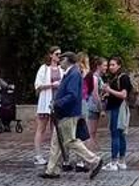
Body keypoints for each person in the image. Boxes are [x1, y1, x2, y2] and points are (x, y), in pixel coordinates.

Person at [42, 51, 103, 179]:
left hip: (68, 113)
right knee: (56, 142)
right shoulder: (70, 73)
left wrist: (58, 103)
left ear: (67, 60)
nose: (59, 60)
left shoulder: (74, 74)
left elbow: (72, 95)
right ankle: (52, 170)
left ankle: (94, 160)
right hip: (64, 113)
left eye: (62, 58)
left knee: (70, 141)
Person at [33, 47, 62, 165]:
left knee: (55, 130)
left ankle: (54, 155)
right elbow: (38, 85)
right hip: (46, 101)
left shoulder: (61, 69)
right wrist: (51, 85)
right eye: (57, 54)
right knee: (41, 128)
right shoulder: (44, 68)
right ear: (51, 55)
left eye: (60, 54)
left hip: (57, 102)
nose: (59, 56)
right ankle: (38, 155)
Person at [103, 57, 132, 171]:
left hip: (118, 108)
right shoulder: (115, 77)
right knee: (120, 134)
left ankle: (114, 161)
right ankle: (121, 160)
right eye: (110, 65)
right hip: (116, 107)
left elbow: (123, 94)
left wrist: (109, 90)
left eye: (113, 65)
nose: (110, 67)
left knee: (116, 133)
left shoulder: (123, 77)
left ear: (119, 65)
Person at [85, 57, 105, 145]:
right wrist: (101, 109)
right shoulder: (95, 78)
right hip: (92, 107)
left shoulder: (98, 78)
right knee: (91, 134)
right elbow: (95, 94)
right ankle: (89, 156)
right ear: (98, 66)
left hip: (94, 107)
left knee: (92, 133)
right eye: (104, 65)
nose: (106, 67)